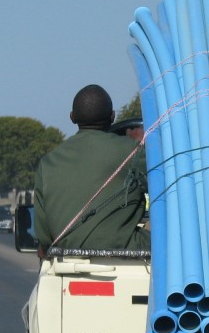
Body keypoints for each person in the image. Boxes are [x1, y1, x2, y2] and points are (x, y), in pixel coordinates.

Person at [32, 84, 149, 255]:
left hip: (66, 256)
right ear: (112, 116)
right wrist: (145, 145)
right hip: (127, 250)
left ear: (72, 117)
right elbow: (167, 180)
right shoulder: (132, 150)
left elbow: (44, 236)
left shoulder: (48, 162)